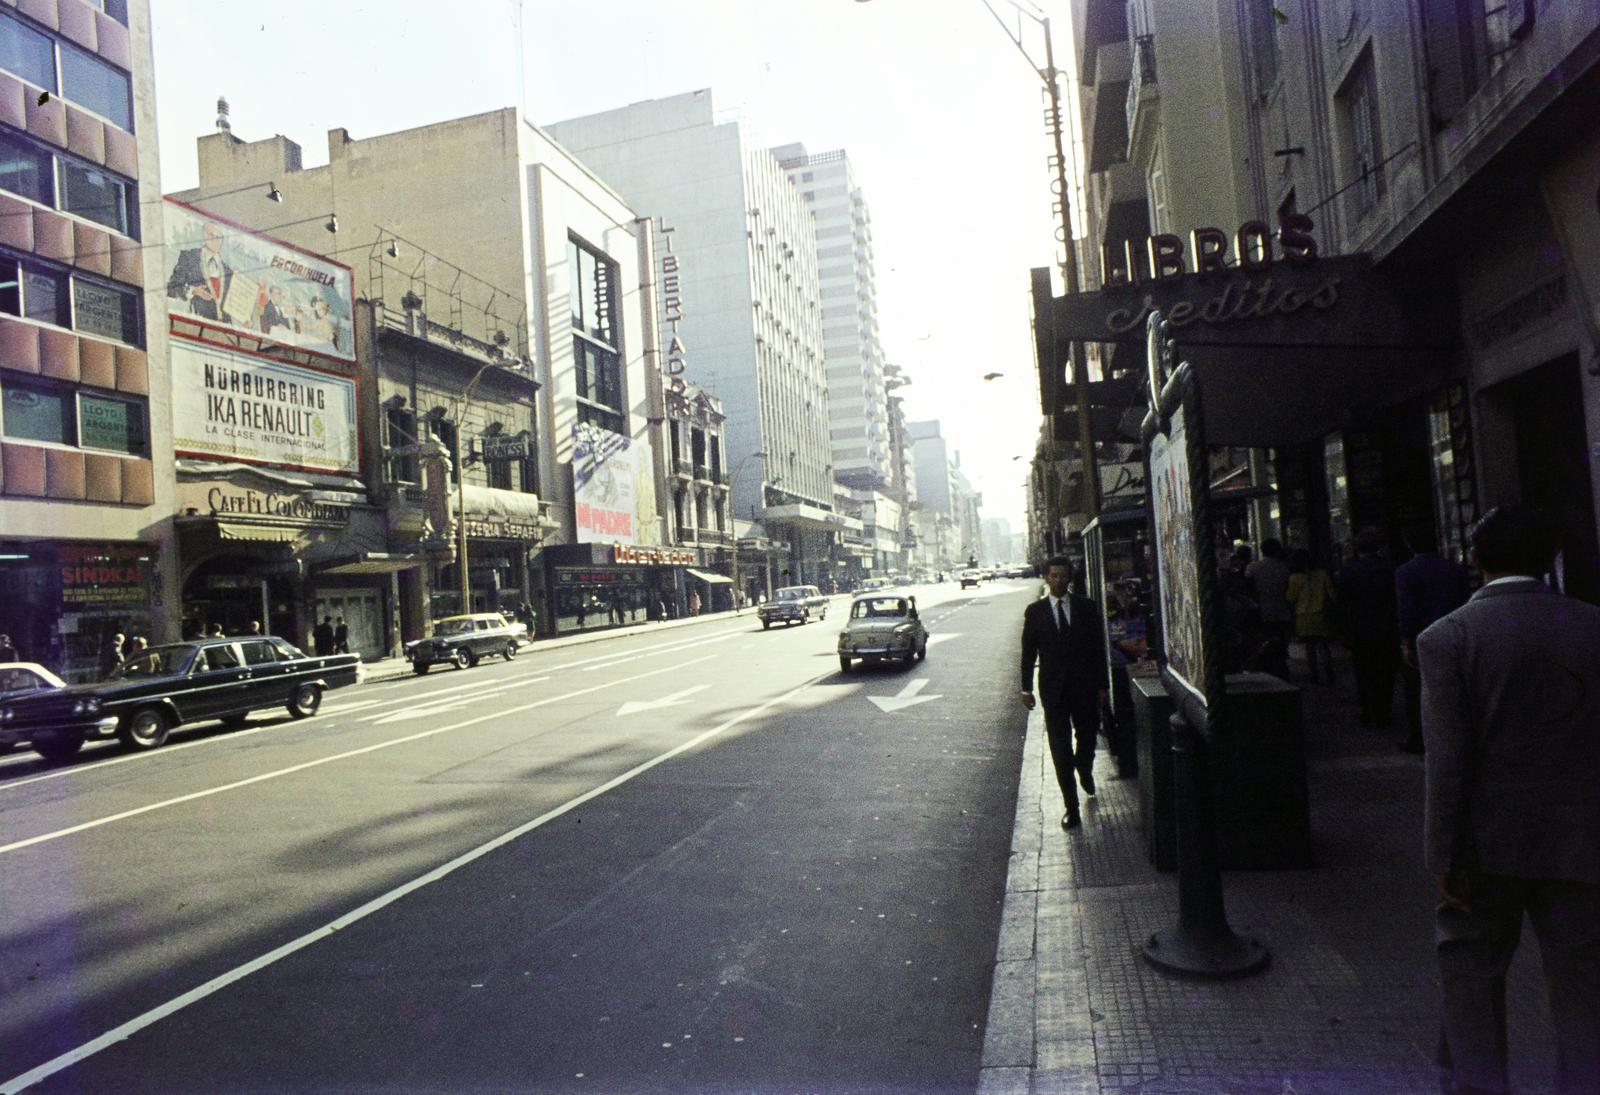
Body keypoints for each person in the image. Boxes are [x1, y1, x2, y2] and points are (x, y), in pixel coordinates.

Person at [1419, 505, 1600, 1095]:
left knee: (1471, 977)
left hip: (1483, 847)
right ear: (1548, 560)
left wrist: (1442, 853)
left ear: (1477, 559)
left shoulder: (1448, 638)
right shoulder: (1592, 626)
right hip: (1582, 841)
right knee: (1583, 983)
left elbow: (1448, 760)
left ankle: (1479, 1086)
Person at [1020, 555, 1110, 831]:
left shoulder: (1086, 607)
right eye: (1053, 575)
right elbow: (1028, 653)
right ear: (1046, 578)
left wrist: (1103, 686)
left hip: (1084, 688)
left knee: (1087, 736)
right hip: (1053, 691)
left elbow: (1098, 650)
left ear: (1070, 578)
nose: (1058, 580)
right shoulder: (1035, 612)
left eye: (1063, 575)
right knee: (1060, 750)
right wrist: (1026, 688)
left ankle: (1084, 766)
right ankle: (1071, 807)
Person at [1395, 528, 1470, 754]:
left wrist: (1406, 640)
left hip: (1422, 635)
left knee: (1416, 690)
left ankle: (1419, 738)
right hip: (1454, 633)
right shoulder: (1454, 569)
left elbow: (1406, 609)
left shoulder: (1405, 572)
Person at [1337, 528, 1398, 728]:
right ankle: (1384, 710)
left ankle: (1368, 708)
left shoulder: (1349, 570)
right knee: (1385, 671)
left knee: (1364, 671)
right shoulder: (1389, 567)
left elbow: (1343, 600)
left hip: (1360, 626)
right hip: (1387, 625)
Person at [166, 220, 236, 322]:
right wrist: (193, 290)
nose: (216, 240)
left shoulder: (228, 270)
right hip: (197, 323)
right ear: (204, 236)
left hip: (224, 328)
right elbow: (171, 288)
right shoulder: (189, 257)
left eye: (219, 237)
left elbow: (233, 304)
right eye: (212, 235)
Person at [1285, 549, 1336, 684]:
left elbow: (1291, 597)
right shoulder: (1322, 574)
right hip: (1321, 614)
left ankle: (1314, 674)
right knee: (1323, 646)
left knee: (1310, 646)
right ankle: (1329, 671)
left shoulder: (1295, 578)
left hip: (1303, 616)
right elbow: (1332, 595)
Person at [1246, 538, 1293, 679]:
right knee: (1280, 645)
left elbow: (1248, 589)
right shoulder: (1284, 567)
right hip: (1282, 611)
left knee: (1265, 644)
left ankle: (1269, 671)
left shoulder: (1253, 568)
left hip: (1261, 612)